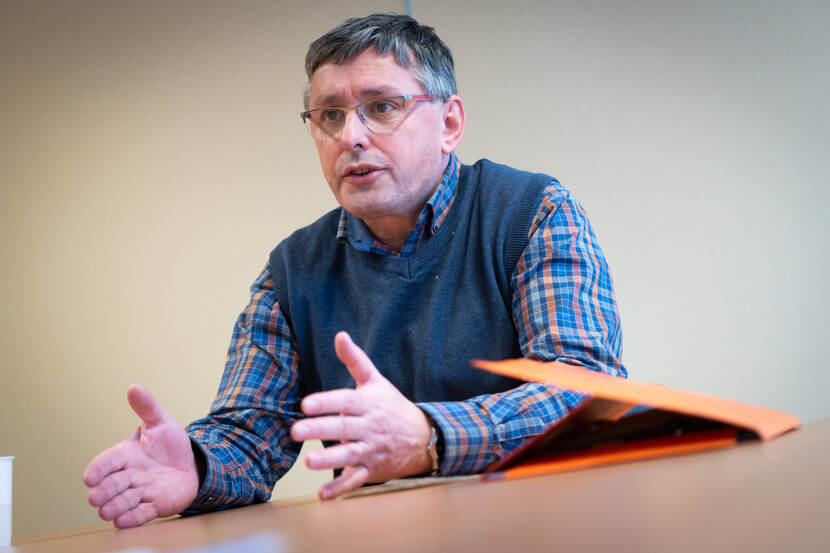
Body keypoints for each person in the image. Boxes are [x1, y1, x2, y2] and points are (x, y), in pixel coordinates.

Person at [83, 13, 626, 529]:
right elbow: (250, 436)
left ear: (450, 123)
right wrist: (197, 467)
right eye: (330, 115)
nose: (351, 136)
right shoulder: (292, 270)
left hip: (543, 526)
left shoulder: (532, 212)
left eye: (382, 107)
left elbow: (585, 390)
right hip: (384, 536)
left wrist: (429, 435)